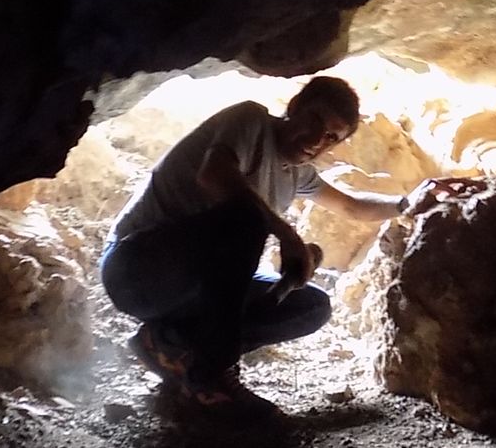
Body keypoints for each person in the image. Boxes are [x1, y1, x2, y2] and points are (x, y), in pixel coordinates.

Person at [99, 76, 409, 417]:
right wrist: (287, 234)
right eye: (314, 121)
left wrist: (410, 202)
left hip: (192, 290)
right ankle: (213, 372)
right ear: (295, 107)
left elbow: (352, 206)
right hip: (135, 269)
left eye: (330, 137)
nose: (316, 140)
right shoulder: (251, 122)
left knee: (310, 306)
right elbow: (214, 175)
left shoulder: (297, 174)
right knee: (246, 218)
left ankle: (168, 343)